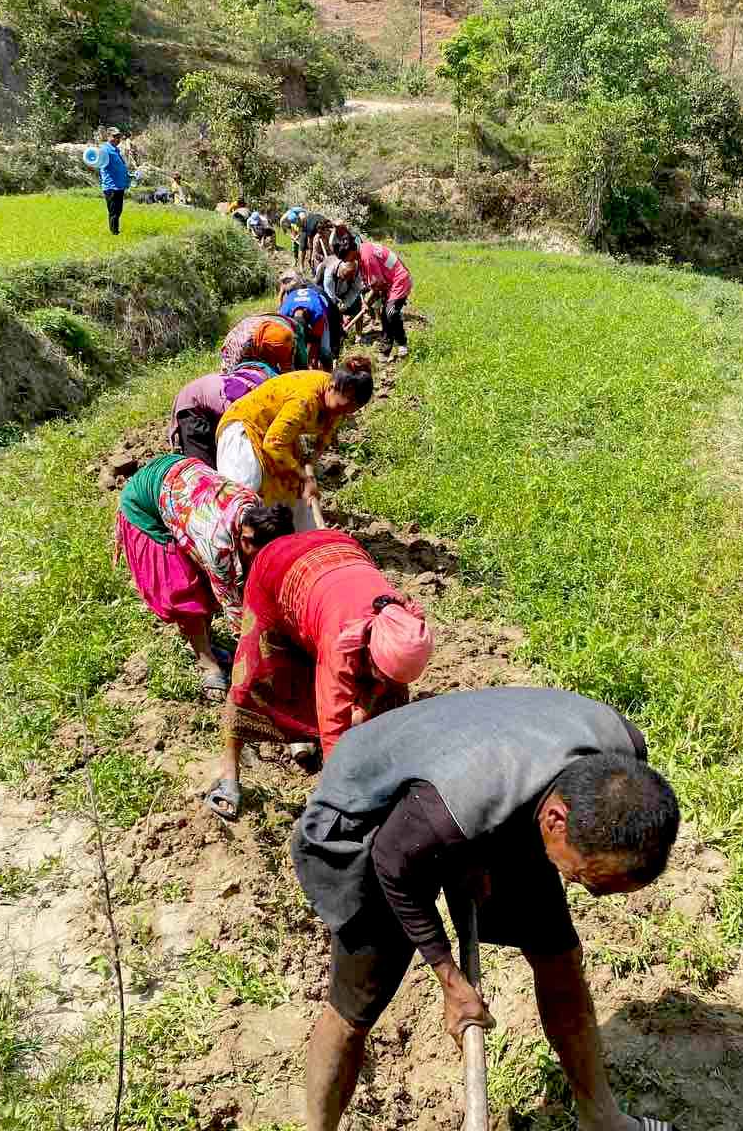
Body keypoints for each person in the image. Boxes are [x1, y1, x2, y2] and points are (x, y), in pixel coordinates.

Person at [291, 687, 682, 1131]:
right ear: (556, 821)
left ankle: (602, 1120)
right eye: (587, 880)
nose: (590, 895)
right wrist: (450, 981)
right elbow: (392, 866)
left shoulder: (623, 762)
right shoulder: (452, 805)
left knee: (559, 957)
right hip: (374, 817)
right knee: (355, 1005)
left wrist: (480, 853)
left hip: (477, 792)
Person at [204, 528, 433, 819]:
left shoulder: (403, 623)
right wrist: (339, 801)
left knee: (390, 699)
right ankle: (228, 775)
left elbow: (388, 696)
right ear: (369, 649)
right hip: (278, 568)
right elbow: (334, 726)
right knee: (254, 677)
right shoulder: (342, 642)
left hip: (339, 553)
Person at [114, 453, 295, 698]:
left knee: (212, 583)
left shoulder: (254, 505)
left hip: (183, 478)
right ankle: (207, 663)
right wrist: (269, 654)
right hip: (145, 501)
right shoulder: (217, 545)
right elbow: (235, 612)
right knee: (185, 590)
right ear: (246, 539)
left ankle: (205, 641)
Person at [215, 354, 374, 530]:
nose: (343, 414)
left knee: (293, 489)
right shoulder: (305, 399)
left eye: (350, 410)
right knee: (245, 494)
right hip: (246, 427)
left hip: (278, 431)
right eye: (342, 407)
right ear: (332, 387)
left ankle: (302, 541)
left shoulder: (338, 404)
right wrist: (305, 476)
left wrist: (309, 471)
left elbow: (323, 439)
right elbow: (273, 443)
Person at [169, 362, 278, 465]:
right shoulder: (249, 401)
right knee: (205, 469)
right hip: (192, 405)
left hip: (211, 397)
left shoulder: (262, 383)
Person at [357, 240, 412, 359]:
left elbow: (377, 285)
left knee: (390, 313)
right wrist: (365, 302)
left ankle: (402, 343)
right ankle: (385, 351)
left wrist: (366, 302)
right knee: (384, 316)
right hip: (389, 283)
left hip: (399, 280)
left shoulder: (366, 257)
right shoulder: (362, 253)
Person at [279, 280, 335, 369]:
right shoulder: (284, 313)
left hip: (322, 313)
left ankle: (329, 374)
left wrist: (311, 362)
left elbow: (315, 341)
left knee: (325, 352)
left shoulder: (318, 312)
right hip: (298, 305)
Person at [220, 312, 298, 374]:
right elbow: (228, 373)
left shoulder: (286, 335)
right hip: (245, 342)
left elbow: (287, 369)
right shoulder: (237, 344)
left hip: (262, 334)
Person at [320, 256, 365, 340]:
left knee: (358, 304)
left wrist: (345, 305)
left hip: (345, 292)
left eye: (349, 276)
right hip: (329, 293)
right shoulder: (329, 274)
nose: (346, 278)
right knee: (329, 312)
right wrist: (338, 311)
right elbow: (331, 297)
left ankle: (359, 335)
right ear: (340, 270)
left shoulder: (357, 273)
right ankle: (331, 334)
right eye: (344, 275)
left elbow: (355, 290)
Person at [98, 128, 131, 235]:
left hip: (119, 186)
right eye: (115, 137)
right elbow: (96, 159)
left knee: (118, 210)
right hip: (111, 186)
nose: (117, 139)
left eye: (119, 137)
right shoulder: (104, 149)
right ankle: (114, 233)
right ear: (108, 137)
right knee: (114, 212)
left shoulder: (115, 149)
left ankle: (116, 231)